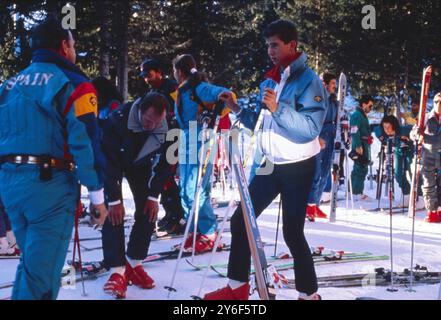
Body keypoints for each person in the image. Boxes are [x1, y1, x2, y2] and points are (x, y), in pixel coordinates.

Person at [204, 19, 326, 300]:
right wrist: (235, 108)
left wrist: (277, 107)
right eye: (268, 45)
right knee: (241, 222)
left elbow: (310, 129)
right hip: (270, 165)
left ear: (291, 45)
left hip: (297, 166)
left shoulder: (310, 81)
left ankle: (309, 295)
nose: (270, 51)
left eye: (275, 45)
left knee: (292, 233)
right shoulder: (272, 77)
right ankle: (237, 289)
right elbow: (261, 121)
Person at [0, 18, 107, 300]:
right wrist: (98, 198)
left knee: (32, 265)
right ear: (63, 46)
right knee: (43, 279)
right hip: (49, 188)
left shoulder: (9, 86)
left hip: (11, 187)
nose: (74, 50)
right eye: (73, 44)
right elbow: (87, 141)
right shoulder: (74, 84)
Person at [101, 92, 172, 299]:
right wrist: (114, 199)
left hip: (141, 163)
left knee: (149, 210)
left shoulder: (168, 126)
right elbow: (108, 163)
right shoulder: (117, 120)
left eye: (156, 122)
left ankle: (134, 262)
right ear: (139, 109)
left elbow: (167, 165)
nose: (151, 126)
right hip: (114, 161)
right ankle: (116, 270)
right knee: (114, 212)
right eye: (148, 120)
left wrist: (154, 196)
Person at [172, 54, 235, 254]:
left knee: (196, 189)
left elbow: (228, 95)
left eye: (174, 70)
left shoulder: (200, 88)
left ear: (179, 72)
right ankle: (194, 230)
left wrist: (214, 112)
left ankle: (209, 233)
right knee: (184, 189)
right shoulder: (184, 91)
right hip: (186, 138)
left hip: (200, 139)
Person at [139, 58, 184, 234]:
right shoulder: (154, 90)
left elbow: (180, 110)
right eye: (143, 76)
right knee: (161, 174)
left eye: (148, 75)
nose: (146, 79)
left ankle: (177, 216)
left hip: (175, 136)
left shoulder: (172, 88)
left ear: (158, 72)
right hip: (161, 138)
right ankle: (171, 213)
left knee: (166, 174)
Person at [306, 72, 338, 221]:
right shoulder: (317, 97)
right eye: (332, 83)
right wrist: (316, 136)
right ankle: (309, 204)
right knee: (316, 173)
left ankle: (315, 204)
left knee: (325, 173)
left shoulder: (333, 100)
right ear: (325, 84)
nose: (335, 86)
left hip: (331, 134)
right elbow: (313, 117)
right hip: (320, 134)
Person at [410, 92, 441, 223]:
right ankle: (432, 210)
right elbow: (413, 134)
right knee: (428, 185)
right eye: (437, 102)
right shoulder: (426, 117)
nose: (439, 105)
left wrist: (426, 138)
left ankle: (439, 209)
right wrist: (417, 134)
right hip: (428, 156)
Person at [373, 115, 413, 206]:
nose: (386, 129)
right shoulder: (384, 133)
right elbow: (376, 128)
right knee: (398, 174)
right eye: (384, 127)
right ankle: (407, 196)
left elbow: (416, 129)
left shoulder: (403, 130)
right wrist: (380, 137)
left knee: (412, 174)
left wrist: (410, 138)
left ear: (394, 125)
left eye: (388, 127)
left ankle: (419, 197)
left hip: (410, 151)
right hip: (398, 152)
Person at [349, 95, 375, 201]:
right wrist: (358, 145)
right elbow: (354, 131)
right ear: (363, 104)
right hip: (360, 145)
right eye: (370, 106)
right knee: (360, 167)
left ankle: (352, 191)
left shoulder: (362, 115)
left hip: (365, 144)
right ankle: (356, 192)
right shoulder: (356, 115)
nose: (371, 108)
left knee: (360, 167)